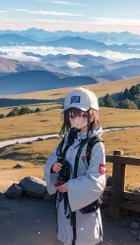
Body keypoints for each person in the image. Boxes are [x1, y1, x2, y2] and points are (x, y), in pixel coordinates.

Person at [43, 87, 107, 245]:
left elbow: (98, 180)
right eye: (72, 116)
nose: (76, 120)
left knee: (83, 240)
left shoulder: (96, 146)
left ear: (92, 114)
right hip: (64, 206)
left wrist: (71, 186)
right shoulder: (68, 139)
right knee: (67, 239)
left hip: (84, 209)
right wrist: (54, 167)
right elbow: (54, 158)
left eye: (82, 115)